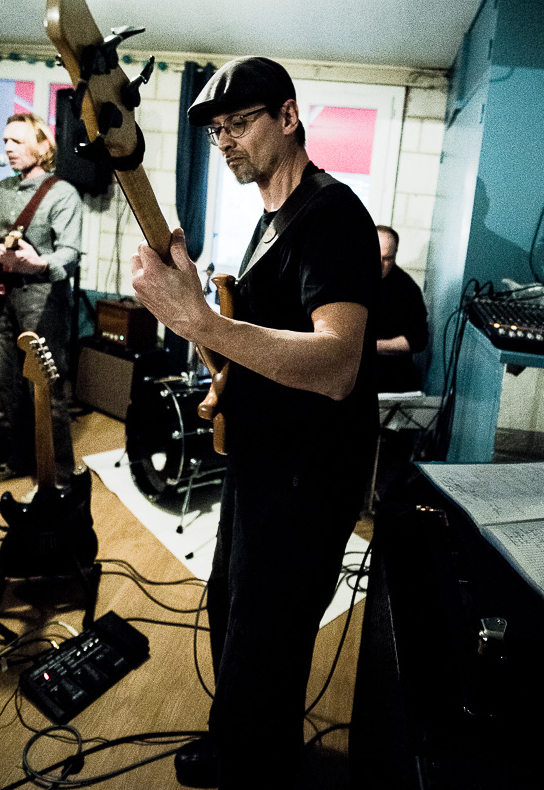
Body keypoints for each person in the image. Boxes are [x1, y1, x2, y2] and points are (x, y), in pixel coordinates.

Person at [131, 56, 380, 790]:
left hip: (309, 473)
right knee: (234, 607)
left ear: (289, 117)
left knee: (271, 627)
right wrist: (222, 376)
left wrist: (200, 320)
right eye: (216, 132)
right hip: (261, 457)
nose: (225, 142)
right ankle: (237, 738)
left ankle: (260, 767)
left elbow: (336, 364)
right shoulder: (271, 221)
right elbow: (260, 345)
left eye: (239, 123)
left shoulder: (332, 214)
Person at [0, 113, 82, 485]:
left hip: (42, 298)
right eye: (6, 140)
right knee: (7, 384)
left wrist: (39, 263)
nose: (8, 148)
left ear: (42, 146)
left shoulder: (62, 193)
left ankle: (60, 475)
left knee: (45, 387)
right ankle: (21, 457)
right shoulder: (3, 188)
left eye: (18, 141)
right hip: (4, 298)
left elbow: (70, 253)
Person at [376, 224, 429, 393]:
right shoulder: (347, 280)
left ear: (395, 255)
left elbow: (418, 340)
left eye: (387, 258)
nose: (379, 264)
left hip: (391, 380)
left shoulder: (407, 289)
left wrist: (369, 346)